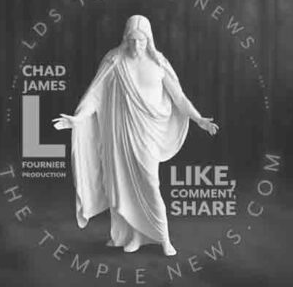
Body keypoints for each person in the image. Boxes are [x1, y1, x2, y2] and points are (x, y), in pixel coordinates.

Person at [54, 14, 217, 258]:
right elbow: (94, 95)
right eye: (131, 40)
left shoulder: (159, 63)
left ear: (149, 40)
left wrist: (199, 118)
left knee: (150, 185)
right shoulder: (114, 61)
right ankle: (134, 236)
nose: (136, 46)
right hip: (120, 135)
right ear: (125, 39)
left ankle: (164, 238)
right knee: (123, 185)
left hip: (147, 135)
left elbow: (179, 97)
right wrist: (77, 119)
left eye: (141, 41)